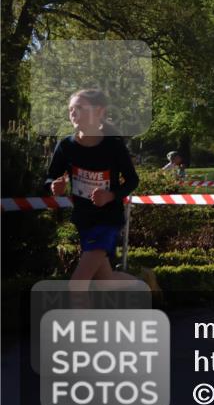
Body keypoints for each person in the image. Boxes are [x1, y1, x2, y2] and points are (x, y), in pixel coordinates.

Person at [44, 89, 156, 291]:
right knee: (105, 280)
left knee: (77, 284)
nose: (73, 113)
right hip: (83, 219)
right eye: (70, 109)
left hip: (108, 220)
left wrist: (110, 195)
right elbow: (50, 178)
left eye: (79, 108)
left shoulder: (113, 145)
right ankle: (143, 285)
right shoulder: (65, 146)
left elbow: (132, 180)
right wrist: (54, 186)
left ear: (99, 111)